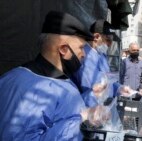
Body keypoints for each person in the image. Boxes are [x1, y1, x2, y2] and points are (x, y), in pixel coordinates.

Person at [0, 11, 110, 140]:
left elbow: (61, 113)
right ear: (63, 49)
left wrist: (92, 95)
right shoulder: (38, 88)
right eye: (81, 48)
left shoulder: (12, 76)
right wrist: (82, 116)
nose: (84, 54)